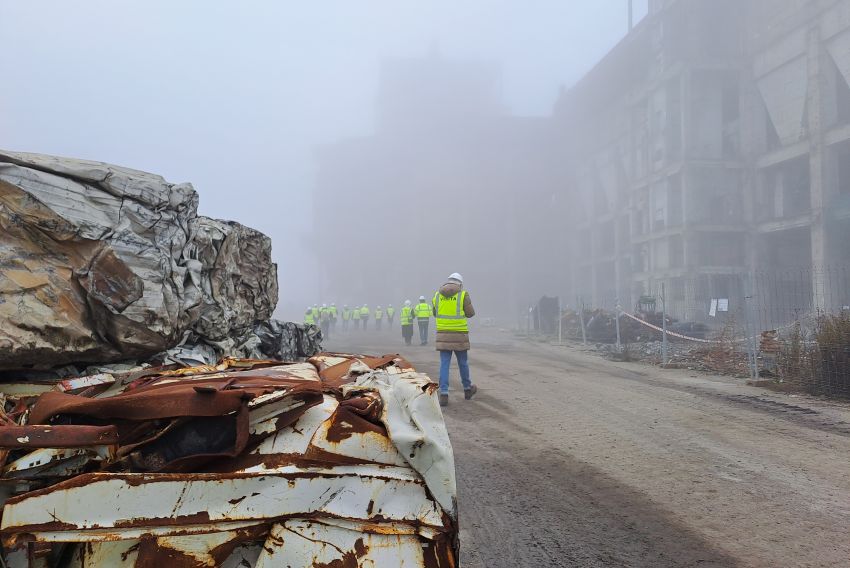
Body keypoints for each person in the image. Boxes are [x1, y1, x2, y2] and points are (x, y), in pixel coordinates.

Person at [432, 273, 477, 407]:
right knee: (463, 363)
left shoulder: (437, 295)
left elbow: (435, 313)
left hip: (443, 334)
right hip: (459, 334)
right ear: (460, 283)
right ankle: (467, 389)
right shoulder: (463, 295)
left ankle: (444, 393)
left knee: (444, 364)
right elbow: (470, 313)